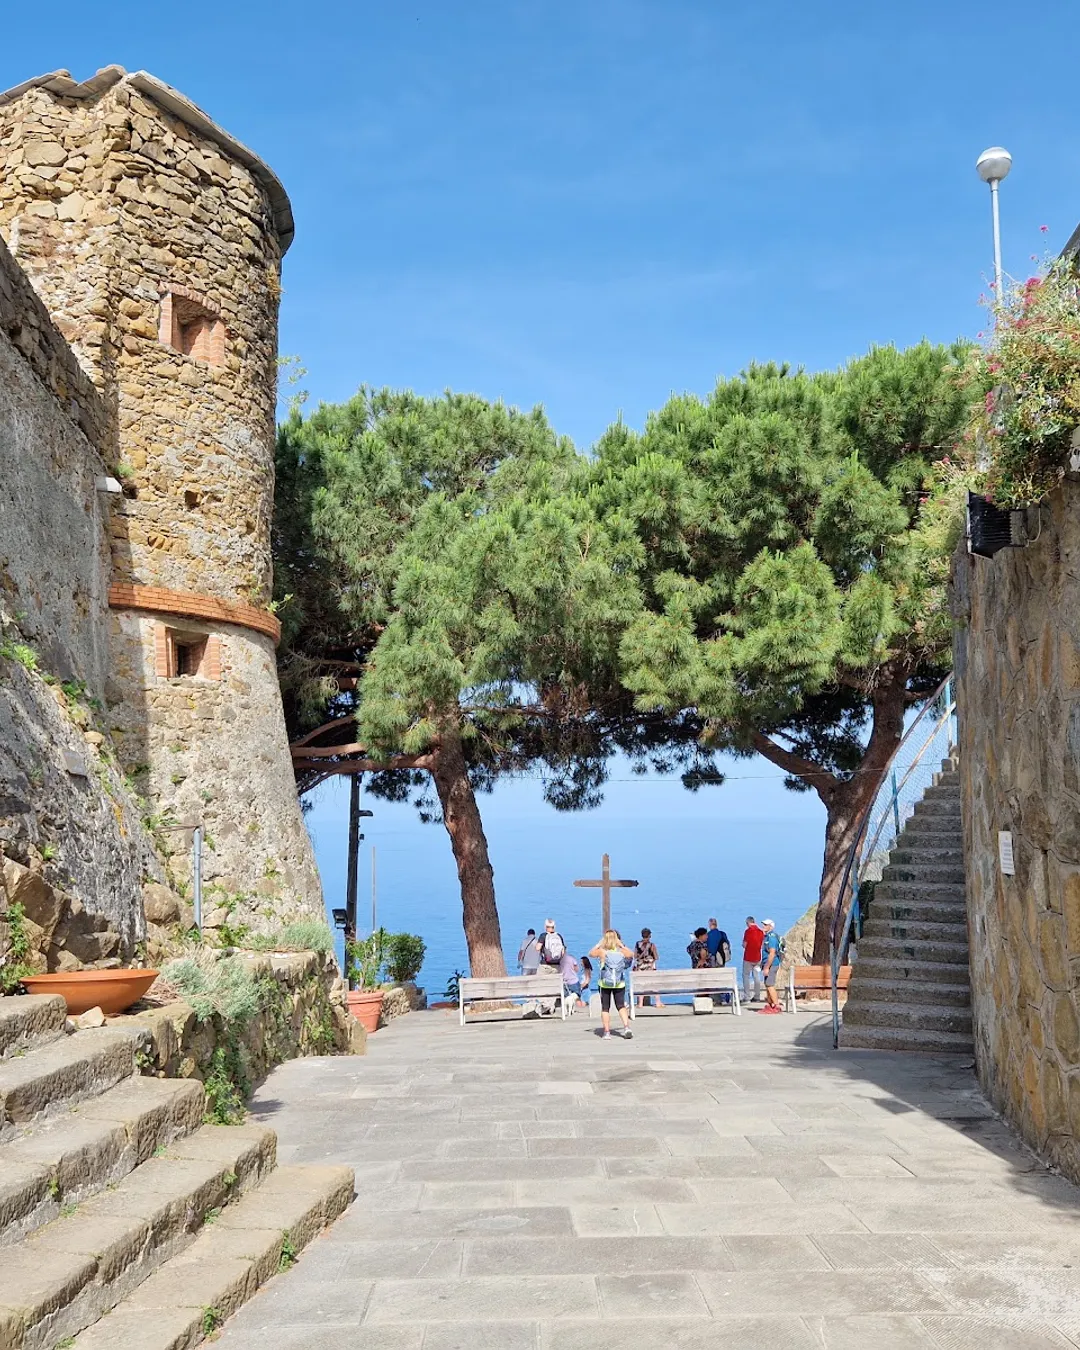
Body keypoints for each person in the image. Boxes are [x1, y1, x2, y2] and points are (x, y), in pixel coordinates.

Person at [589, 929, 634, 1040]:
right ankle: (627, 1027)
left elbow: (590, 953)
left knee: (605, 1008)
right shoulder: (621, 952)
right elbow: (631, 954)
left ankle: (607, 1032)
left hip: (604, 983)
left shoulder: (602, 952)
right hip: (619, 983)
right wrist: (621, 945)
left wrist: (599, 944)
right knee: (621, 1006)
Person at [633, 927, 664, 1009]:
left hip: (640, 968)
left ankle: (640, 1004)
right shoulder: (652, 945)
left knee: (641, 985)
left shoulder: (637, 944)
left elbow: (635, 956)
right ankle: (658, 1002)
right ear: (650, 936)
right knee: (654, 985)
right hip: (650, 968)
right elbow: (656, 957)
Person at [759, 918, 783, 1013]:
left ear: (771, 926)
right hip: (768, 964)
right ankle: (770, 1004)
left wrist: (766, 967)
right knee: (767, 984)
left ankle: (776, 1005)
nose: (763, 926)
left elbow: (772, 953)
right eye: (763, 924)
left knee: (770, 984)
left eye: (766, 925)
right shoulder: (767, 936)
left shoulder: (772, 937)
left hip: (772, 964)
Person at [741, 915, 765, 1003]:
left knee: (746, 976)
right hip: (758, 958)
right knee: (757, 977)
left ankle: (747, 996)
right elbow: (762, 945)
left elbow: (744, 945)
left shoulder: (748, 931)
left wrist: (743, 945)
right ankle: (757, 996)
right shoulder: (760, 932)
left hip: (748, 958)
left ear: (748, 923)